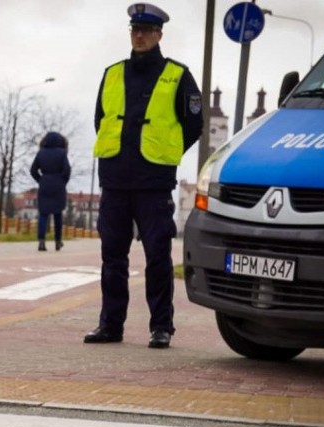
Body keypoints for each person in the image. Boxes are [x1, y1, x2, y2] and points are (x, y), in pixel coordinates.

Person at [84, 2, 203, 349]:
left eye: (147, 31)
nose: (139, 36)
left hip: (153, 183)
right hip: (116, 179)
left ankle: (161, 326)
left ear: (159, 35)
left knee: (157, 256)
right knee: (112, 257)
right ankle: (110, 325)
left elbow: (193, 125)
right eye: (135, 30)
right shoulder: (112, 73)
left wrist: (166, 154)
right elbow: (101, 119)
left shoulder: (178, 75)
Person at [30, 131, 71, 251]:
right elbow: (67, 170)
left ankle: (41, 241)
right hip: (58, 185)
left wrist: (41, 180)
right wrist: (62, 181)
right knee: (58, 214)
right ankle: (58, 241)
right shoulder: (62, 153)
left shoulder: (41, 153)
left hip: (45, 184)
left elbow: (33, 170)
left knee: (43, 214)